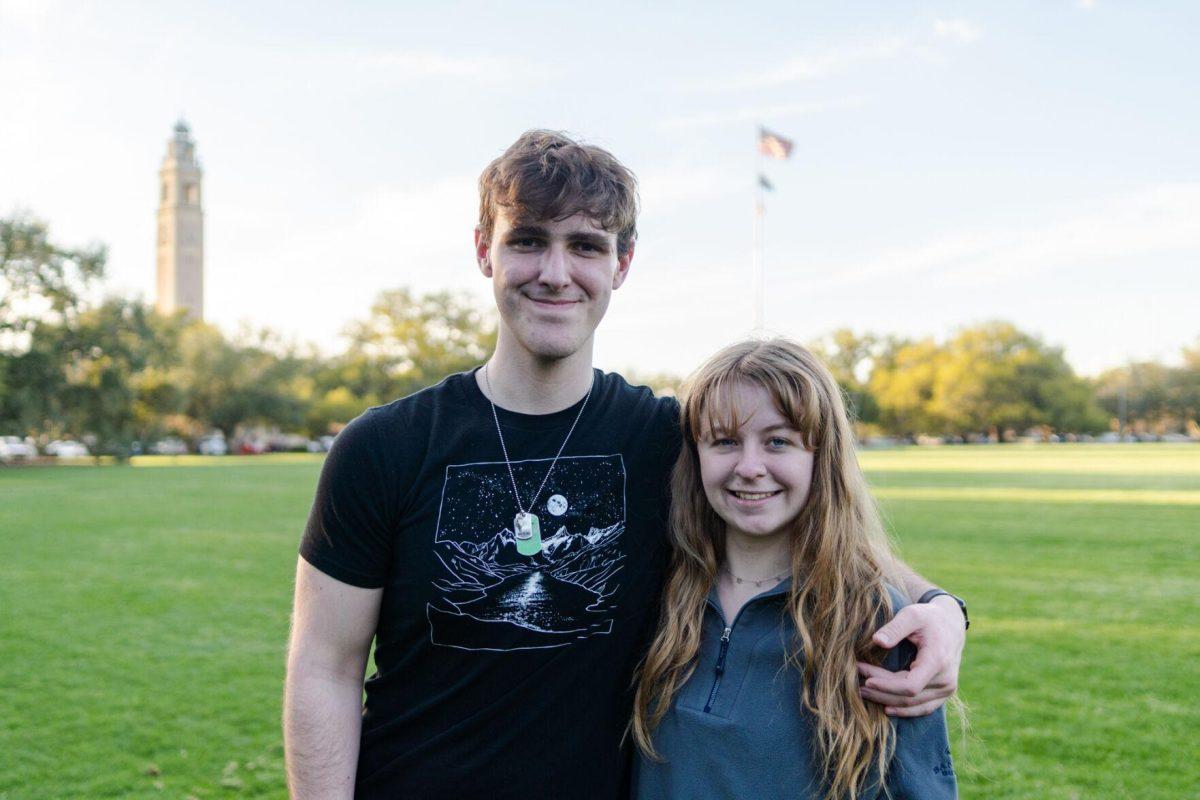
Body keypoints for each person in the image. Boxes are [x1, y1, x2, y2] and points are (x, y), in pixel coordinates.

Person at [283, 131, 967, 799]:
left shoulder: (666, 440)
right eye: (528, 240)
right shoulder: (383, 446)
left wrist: (939, 608)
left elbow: (817, 526)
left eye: (584, 245)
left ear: (622, 263)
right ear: (484, 252)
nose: (556, 272)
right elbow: (324, 667)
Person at [632, 339, 960, 799]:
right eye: (725, 441)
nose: (749, 467)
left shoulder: (878, 623)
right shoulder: (657, 592)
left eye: (778, 441)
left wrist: (944, 607)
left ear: (820, 456)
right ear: (695, 455)